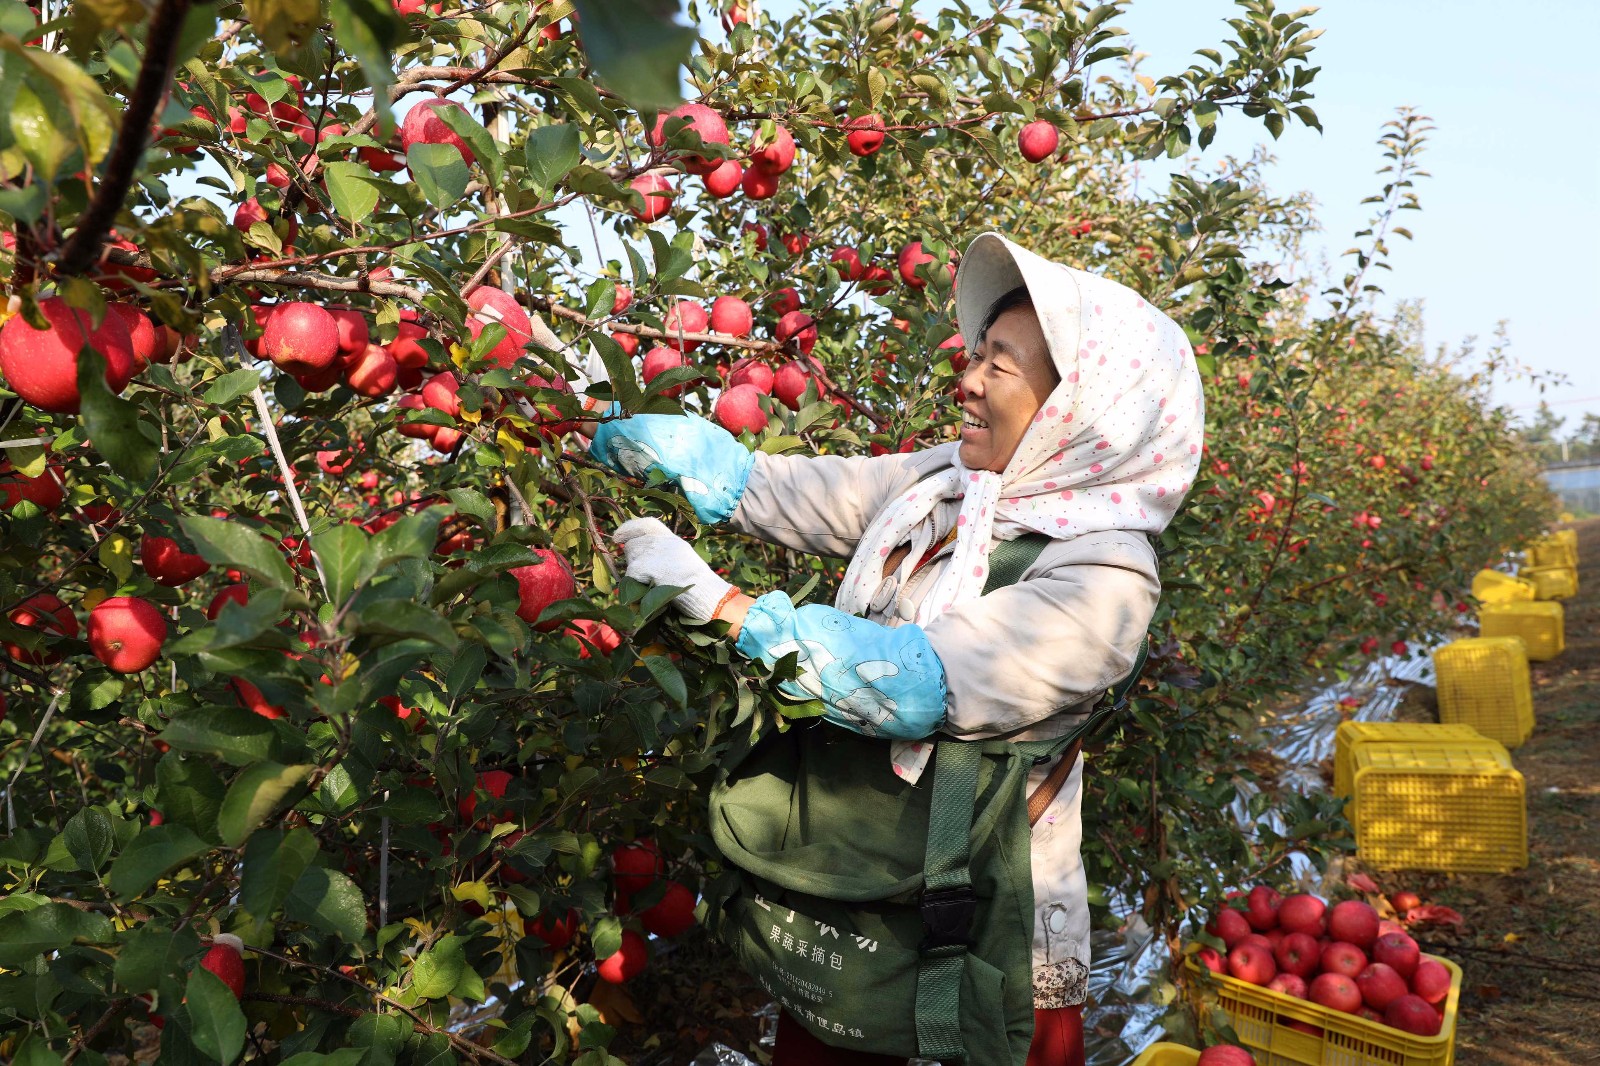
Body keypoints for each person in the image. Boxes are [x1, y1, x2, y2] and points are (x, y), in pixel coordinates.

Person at [586, 232, 1205, 1065]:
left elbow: (917, 683)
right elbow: (784, 490)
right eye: (977, 354)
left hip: (970, 934)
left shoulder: (1105, 574)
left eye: (1001, 367)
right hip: (859, 889)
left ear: (1077, 411)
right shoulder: (945, 487)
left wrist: (720, 604)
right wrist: (631, 429)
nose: (969, 380)